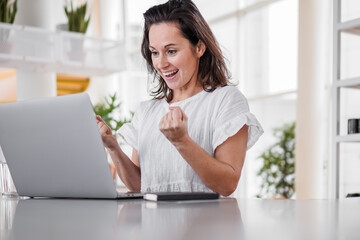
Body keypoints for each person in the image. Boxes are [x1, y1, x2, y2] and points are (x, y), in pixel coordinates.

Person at [96, 0, 263, 196]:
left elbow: (227, 184)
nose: (161, 63)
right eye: (154, 53)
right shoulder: (146, 111)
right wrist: (112, 146)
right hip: (155, 225)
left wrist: (182, 141)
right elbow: (140, 187)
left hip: (207, 225)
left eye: (171, 51)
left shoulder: (225, 100)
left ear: (199, 48)